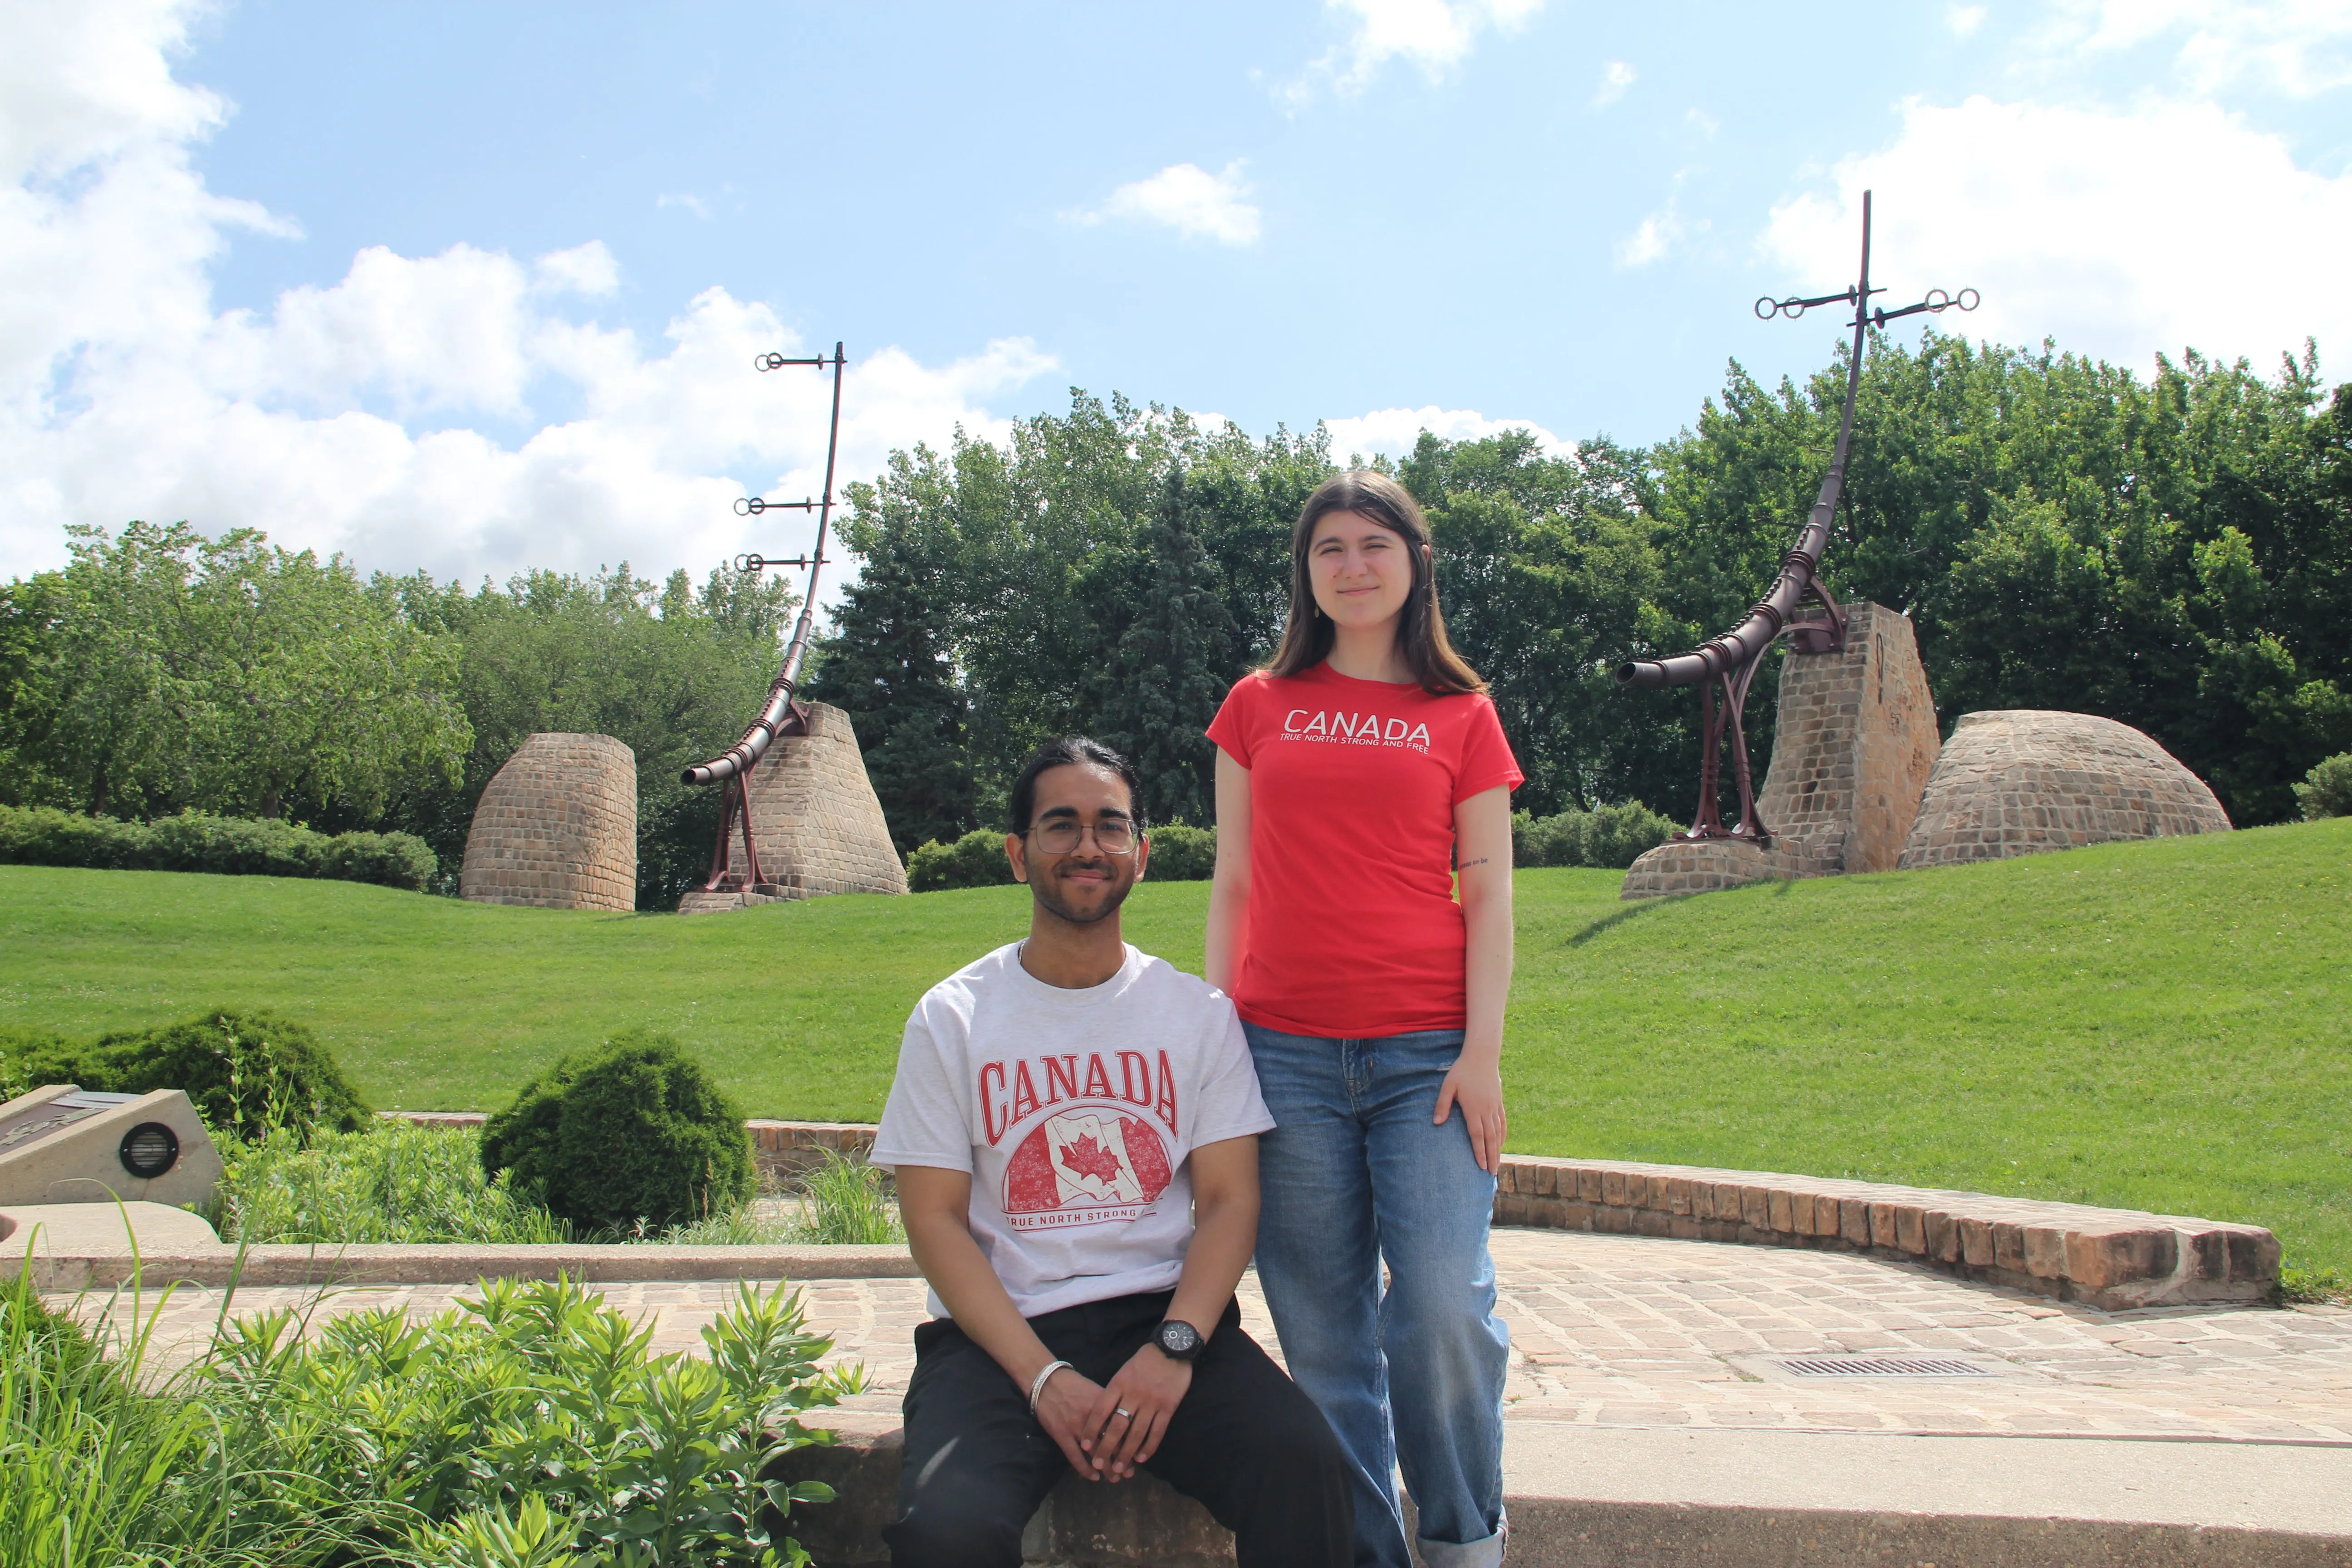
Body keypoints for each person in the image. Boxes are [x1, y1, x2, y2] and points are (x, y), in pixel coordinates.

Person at [872, 736, 1354, 1568]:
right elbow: (935, 1221)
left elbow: (1232, 1202)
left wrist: (1175, 1351)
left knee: (1306, 1472)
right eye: (1061, 826)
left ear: (1142, 854)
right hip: (999, 1337)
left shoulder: (1196, 1015)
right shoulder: (953, 1018)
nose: (1088, 847)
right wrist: (1041, 1378)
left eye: (1110, 826)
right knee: (945, 1534)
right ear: (1019, 855)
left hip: (1160, 1321)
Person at [1204, 470, 1522, 1568]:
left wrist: (1482, 1054)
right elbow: (1233, 883)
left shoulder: (1463, 716)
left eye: (1374, 544)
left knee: (1440, 1307)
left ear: (1415, 561)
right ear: (1307, 571)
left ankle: (1463, 1543)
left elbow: (1488, 896)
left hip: (1426, 1056)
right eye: (1329, 547)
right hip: (1280, 1055)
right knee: (1324, 1335)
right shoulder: (1257, 705)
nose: (1351, 564)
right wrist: (1215, 1039)